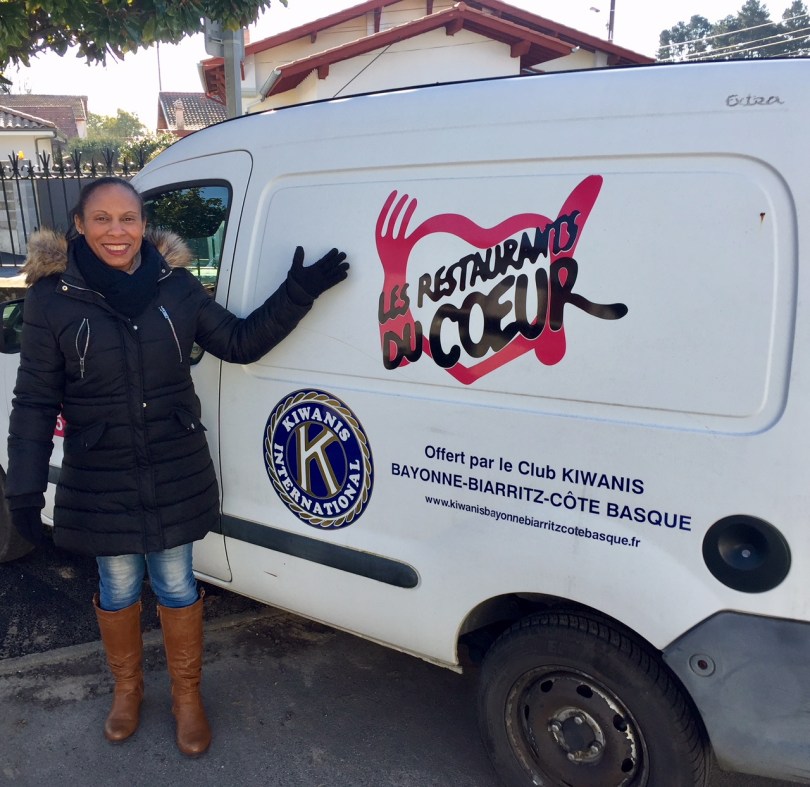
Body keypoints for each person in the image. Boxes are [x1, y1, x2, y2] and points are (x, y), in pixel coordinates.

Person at [4, 176, 348, 756]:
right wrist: (24, 491)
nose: (117, 231)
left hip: (172, 464)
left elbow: (239, 342)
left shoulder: (177, 288)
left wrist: (298, 292)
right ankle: (128, 690)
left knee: (176, 581)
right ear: (80, 226)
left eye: (129, 218)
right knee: (117, 585)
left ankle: (187, 697)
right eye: (103, 219)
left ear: (144, 225)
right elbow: (35, 401)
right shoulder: (52, 299)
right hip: (103, 472)